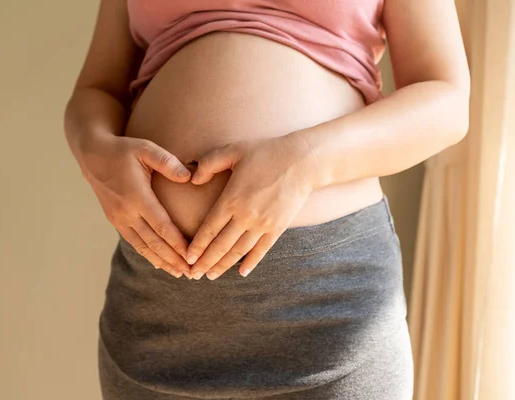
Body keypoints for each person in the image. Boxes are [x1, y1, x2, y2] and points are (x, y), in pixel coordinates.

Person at [63, 0, 470, 399]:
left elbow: (445, 100)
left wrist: (305, 161)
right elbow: (98, 89)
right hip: (156, 311)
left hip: (328, 310)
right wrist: (95, 152)